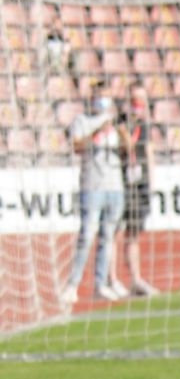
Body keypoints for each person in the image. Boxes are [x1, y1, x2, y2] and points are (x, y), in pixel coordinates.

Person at [57, 87, 128, 309]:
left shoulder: (114, 122)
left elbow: (128, 148)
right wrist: (99, 130)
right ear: (93, 99)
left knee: (108, 237)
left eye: (106, 96)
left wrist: (121, 129)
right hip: (92, 185)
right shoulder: (82, 121)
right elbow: (77, 146)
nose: (103, 101)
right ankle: (72, 285)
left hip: (115, 186)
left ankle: (101, 284)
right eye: (100, 96)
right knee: (87, 235)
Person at [118, 84, 159, 298]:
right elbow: (125, 148)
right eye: (135, 100)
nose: (138, 105)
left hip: (140, 184)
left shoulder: (145, 126)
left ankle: (135, 279)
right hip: (122, 184)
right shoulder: (121, 123)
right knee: (114, 232)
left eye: (142, 101)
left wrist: (152, 183)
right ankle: (110, 280)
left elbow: (149, 152)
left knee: (134, 233)